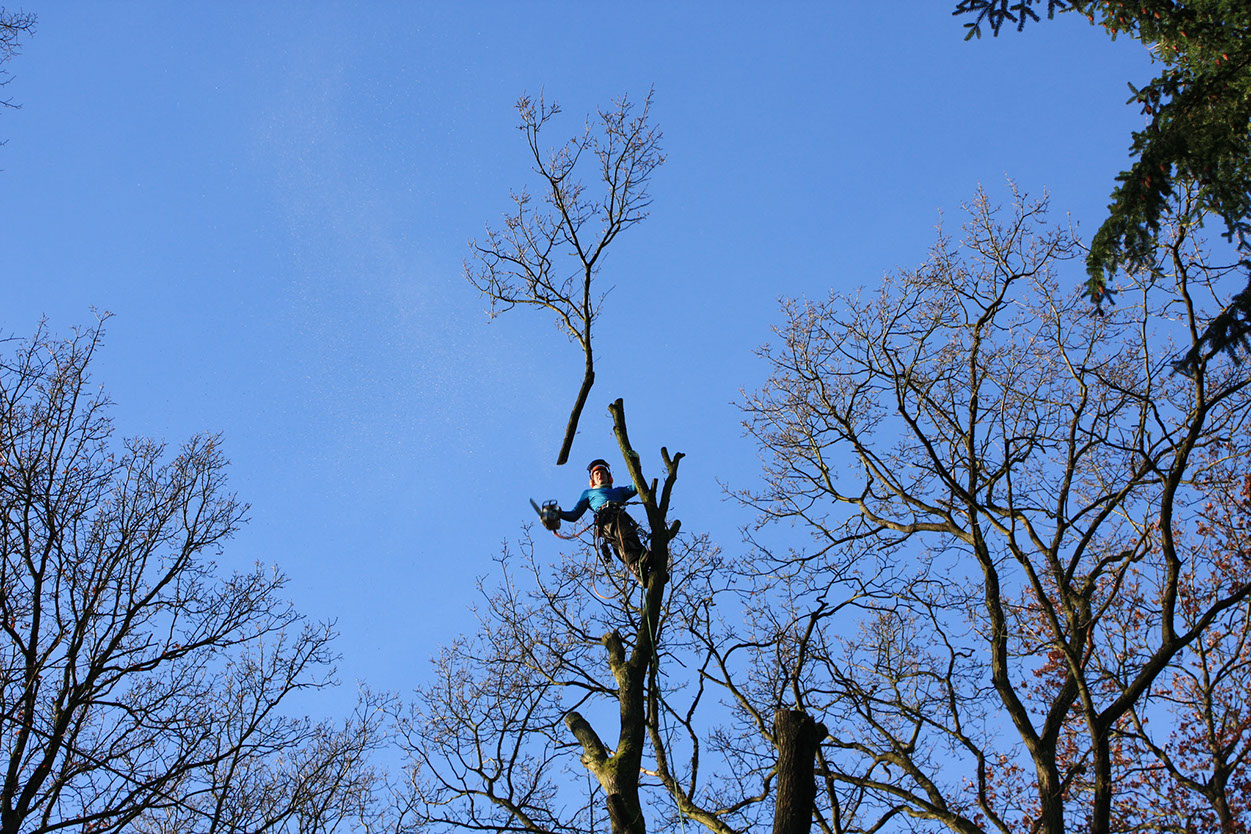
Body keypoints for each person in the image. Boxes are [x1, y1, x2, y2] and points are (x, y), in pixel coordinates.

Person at [558, 459, 648, 584]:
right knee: (625, 536)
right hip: (606, 519)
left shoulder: (618, 491)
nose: (600, 475)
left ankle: (645, 572)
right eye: (597, 474)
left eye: (603, 473)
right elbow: (574, 514)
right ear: (592, 480)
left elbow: (636, 486)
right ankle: (637, 567)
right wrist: (559, 513)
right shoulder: (589, 494)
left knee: (628, 543)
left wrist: (636, 465)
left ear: (609, 477)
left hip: (620, 517)